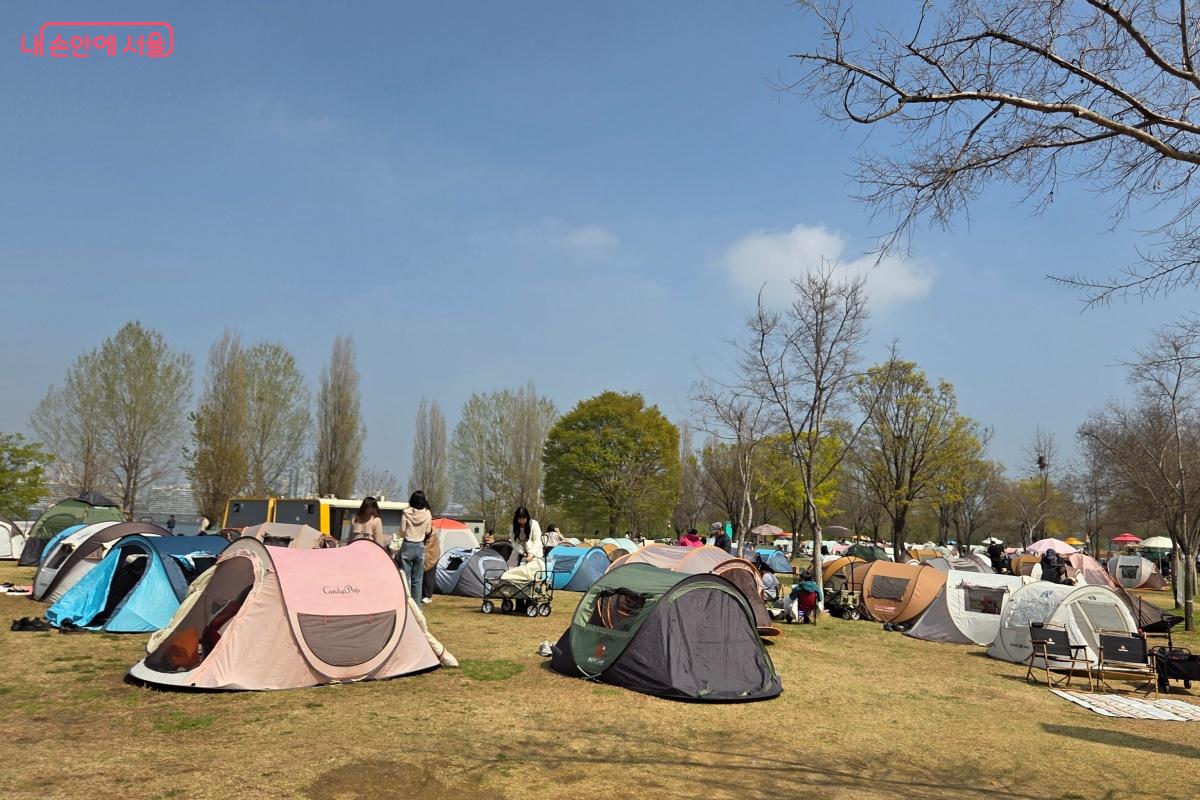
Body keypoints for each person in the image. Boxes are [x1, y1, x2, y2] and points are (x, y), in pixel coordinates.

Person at [399, 492, 433, 601]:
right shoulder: (427, 513)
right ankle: (416, 607)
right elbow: (428, 530)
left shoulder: (406, 512)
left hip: (408, 544)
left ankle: (404, 604)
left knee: (405, 578)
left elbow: (402, 531)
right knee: (417, 580)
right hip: (420, 545)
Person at [421, 521, 440, 605]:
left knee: (429, 577)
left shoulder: (432, 534)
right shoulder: (428, 532)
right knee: (423, 577)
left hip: (432, 557)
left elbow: (427, 547)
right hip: (427, 557)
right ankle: (423, 595)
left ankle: (428, 596)